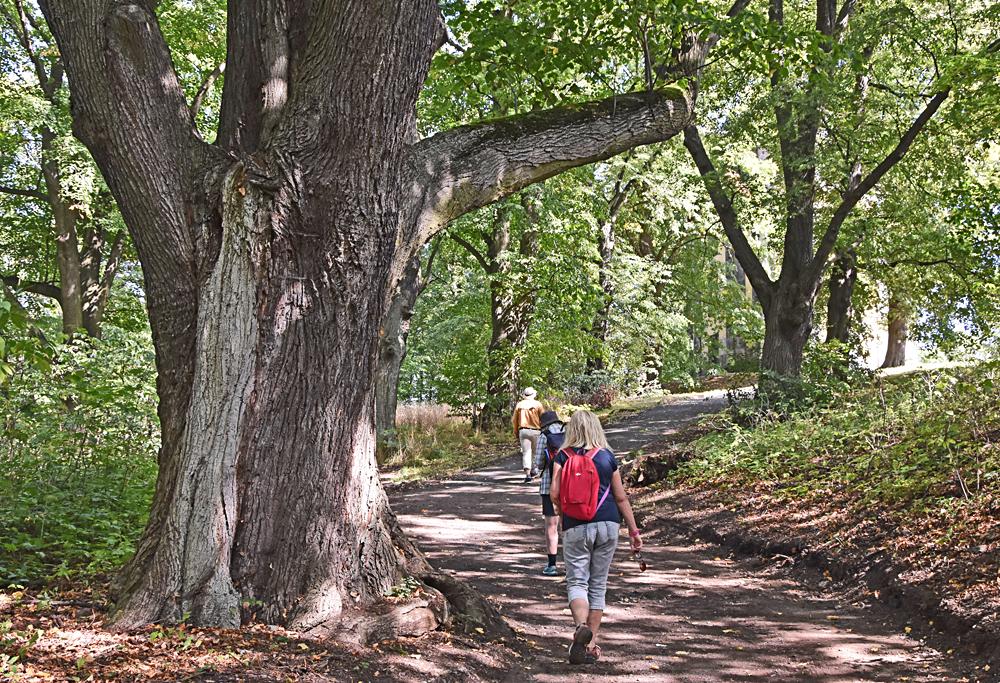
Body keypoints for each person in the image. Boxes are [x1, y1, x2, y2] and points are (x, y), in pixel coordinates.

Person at [550, 409, 642, 665]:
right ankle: (589, 645)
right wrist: (633, 531)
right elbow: (621, 497)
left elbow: (554, 493)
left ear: (572, 430)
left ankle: (581, 626)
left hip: (576, 526)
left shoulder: (563, 456)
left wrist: (563, 515)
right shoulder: (607, 457)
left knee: (577, 581)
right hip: (608, 524)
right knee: (598, 583)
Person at [534, 410, 566, 576]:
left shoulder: (544, 435)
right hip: (569, 485)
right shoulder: (569, 431)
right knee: (567, 525)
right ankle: (571, 564)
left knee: (551, 526)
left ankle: (552, 565)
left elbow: (539, 462)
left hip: (549, 485)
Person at [511, 387, 544, 483]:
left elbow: (514, 420)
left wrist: (516, 432)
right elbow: (543, 418)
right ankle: (534, 470)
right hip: (536, 431)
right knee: (535, 452)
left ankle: (528, 474)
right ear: (533, 394)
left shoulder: (520, 405)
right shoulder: (538, 404)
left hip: (523, 431)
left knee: (526, 452)